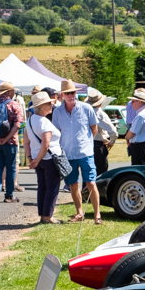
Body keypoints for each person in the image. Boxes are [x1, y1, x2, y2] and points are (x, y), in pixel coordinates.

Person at [51, 79, 101, 224]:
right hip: (68, 153)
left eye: (72, 92)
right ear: (62, 95)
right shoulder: (58, 112)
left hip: (85, 153)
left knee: (91, 183)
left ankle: (97, 215)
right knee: (73, 184)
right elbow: (56, 132)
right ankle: (79, 213)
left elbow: (94, 129)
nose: (70, 95)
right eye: (67, 93)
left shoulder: (86, 108)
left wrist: (86, 143)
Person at [24, 91, 63, 224]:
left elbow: (26, 142)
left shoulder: (30, 121)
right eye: (48, 104)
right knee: (52, 187)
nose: (51, 105)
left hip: (38, 159)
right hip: (48, 159)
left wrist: (31, 158)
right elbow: (46, 144)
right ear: (40, 107)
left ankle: (43, 214)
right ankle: (47, 216)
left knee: (42, 187)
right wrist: (37, 159)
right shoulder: (44, 122)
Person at [0, 80, 24, 204]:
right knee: (11, 168)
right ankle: (9, 195)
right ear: (10, 92)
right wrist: (7, 139)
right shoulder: (14, 105)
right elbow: (17, 125)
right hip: (10, 142)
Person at [86, 88, 116, 175]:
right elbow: (113, 132)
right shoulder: (100, 114)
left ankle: (86, 188)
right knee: (100, 174)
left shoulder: (84, 112)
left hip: (87, 145)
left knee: (88, 173)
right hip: (98, 145)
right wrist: (111, 142)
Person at [124, 88, 145, 166]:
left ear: (139, 102)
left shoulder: (141, 115)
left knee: (138, 172)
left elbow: (131, 134)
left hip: (140, 147)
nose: (131, 104)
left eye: (133, 101)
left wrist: (127, 138)